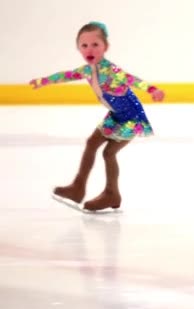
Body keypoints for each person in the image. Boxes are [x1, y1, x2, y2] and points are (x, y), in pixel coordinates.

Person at [29, 21, 165, 211]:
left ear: (105, 47)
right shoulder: (87, 70)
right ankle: (78, 187)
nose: (89, 49)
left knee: (108, 153)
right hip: (116, 115)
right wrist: (43, 81)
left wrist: (152, 89)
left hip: (131, 119)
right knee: (92, 142)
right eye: (84, 45)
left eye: (95, 45)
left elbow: (131, 79)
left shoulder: (111, 71)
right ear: (79, 48)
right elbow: (66, 75)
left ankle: (111, 193)